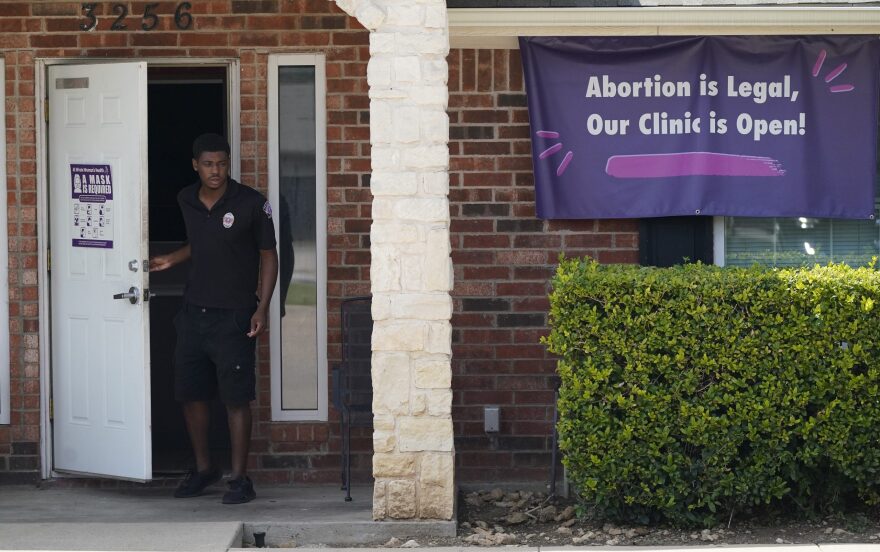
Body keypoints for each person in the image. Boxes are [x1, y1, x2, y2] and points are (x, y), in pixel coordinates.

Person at [149, 133, 278, 504]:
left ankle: (239, 479)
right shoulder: (186, 199)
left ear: (228, 163)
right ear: (195, 165)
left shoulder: (252, 203)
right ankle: (204, 469)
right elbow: (204, 241)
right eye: (208, 164)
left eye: (221, 163)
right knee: (192, 395)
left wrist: (262, 307)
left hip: (235, 316)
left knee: (236, 399)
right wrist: (173, 258)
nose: (215, 170)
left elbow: (268, 255)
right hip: (193, 314)